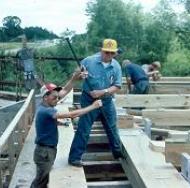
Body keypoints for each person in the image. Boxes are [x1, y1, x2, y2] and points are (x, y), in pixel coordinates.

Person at [31, 70, 102, 188]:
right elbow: (72, 115)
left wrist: (74, 78)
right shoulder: (47, 111)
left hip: (47, 151)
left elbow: (64, 91)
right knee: (40, 182)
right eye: (54, 98)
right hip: (44, 152)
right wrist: (92, 106)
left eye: (57, 98)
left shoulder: (45, 105)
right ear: (45, 97)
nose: (57, 100)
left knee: (43, 179)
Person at [68, 38, 123, 167]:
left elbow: (117, 86)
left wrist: (102, 92)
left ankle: (118, 153)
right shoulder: (89, 61)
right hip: (88, 99)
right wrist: (79, 75)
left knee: (112, 127)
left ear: (115, 53)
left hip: (106, 100)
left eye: (111, 53)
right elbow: (75, 75)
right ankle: (75, 157)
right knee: (84, 128)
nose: (108, 55)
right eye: (106, 52)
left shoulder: (116, 66)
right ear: (101, 50)